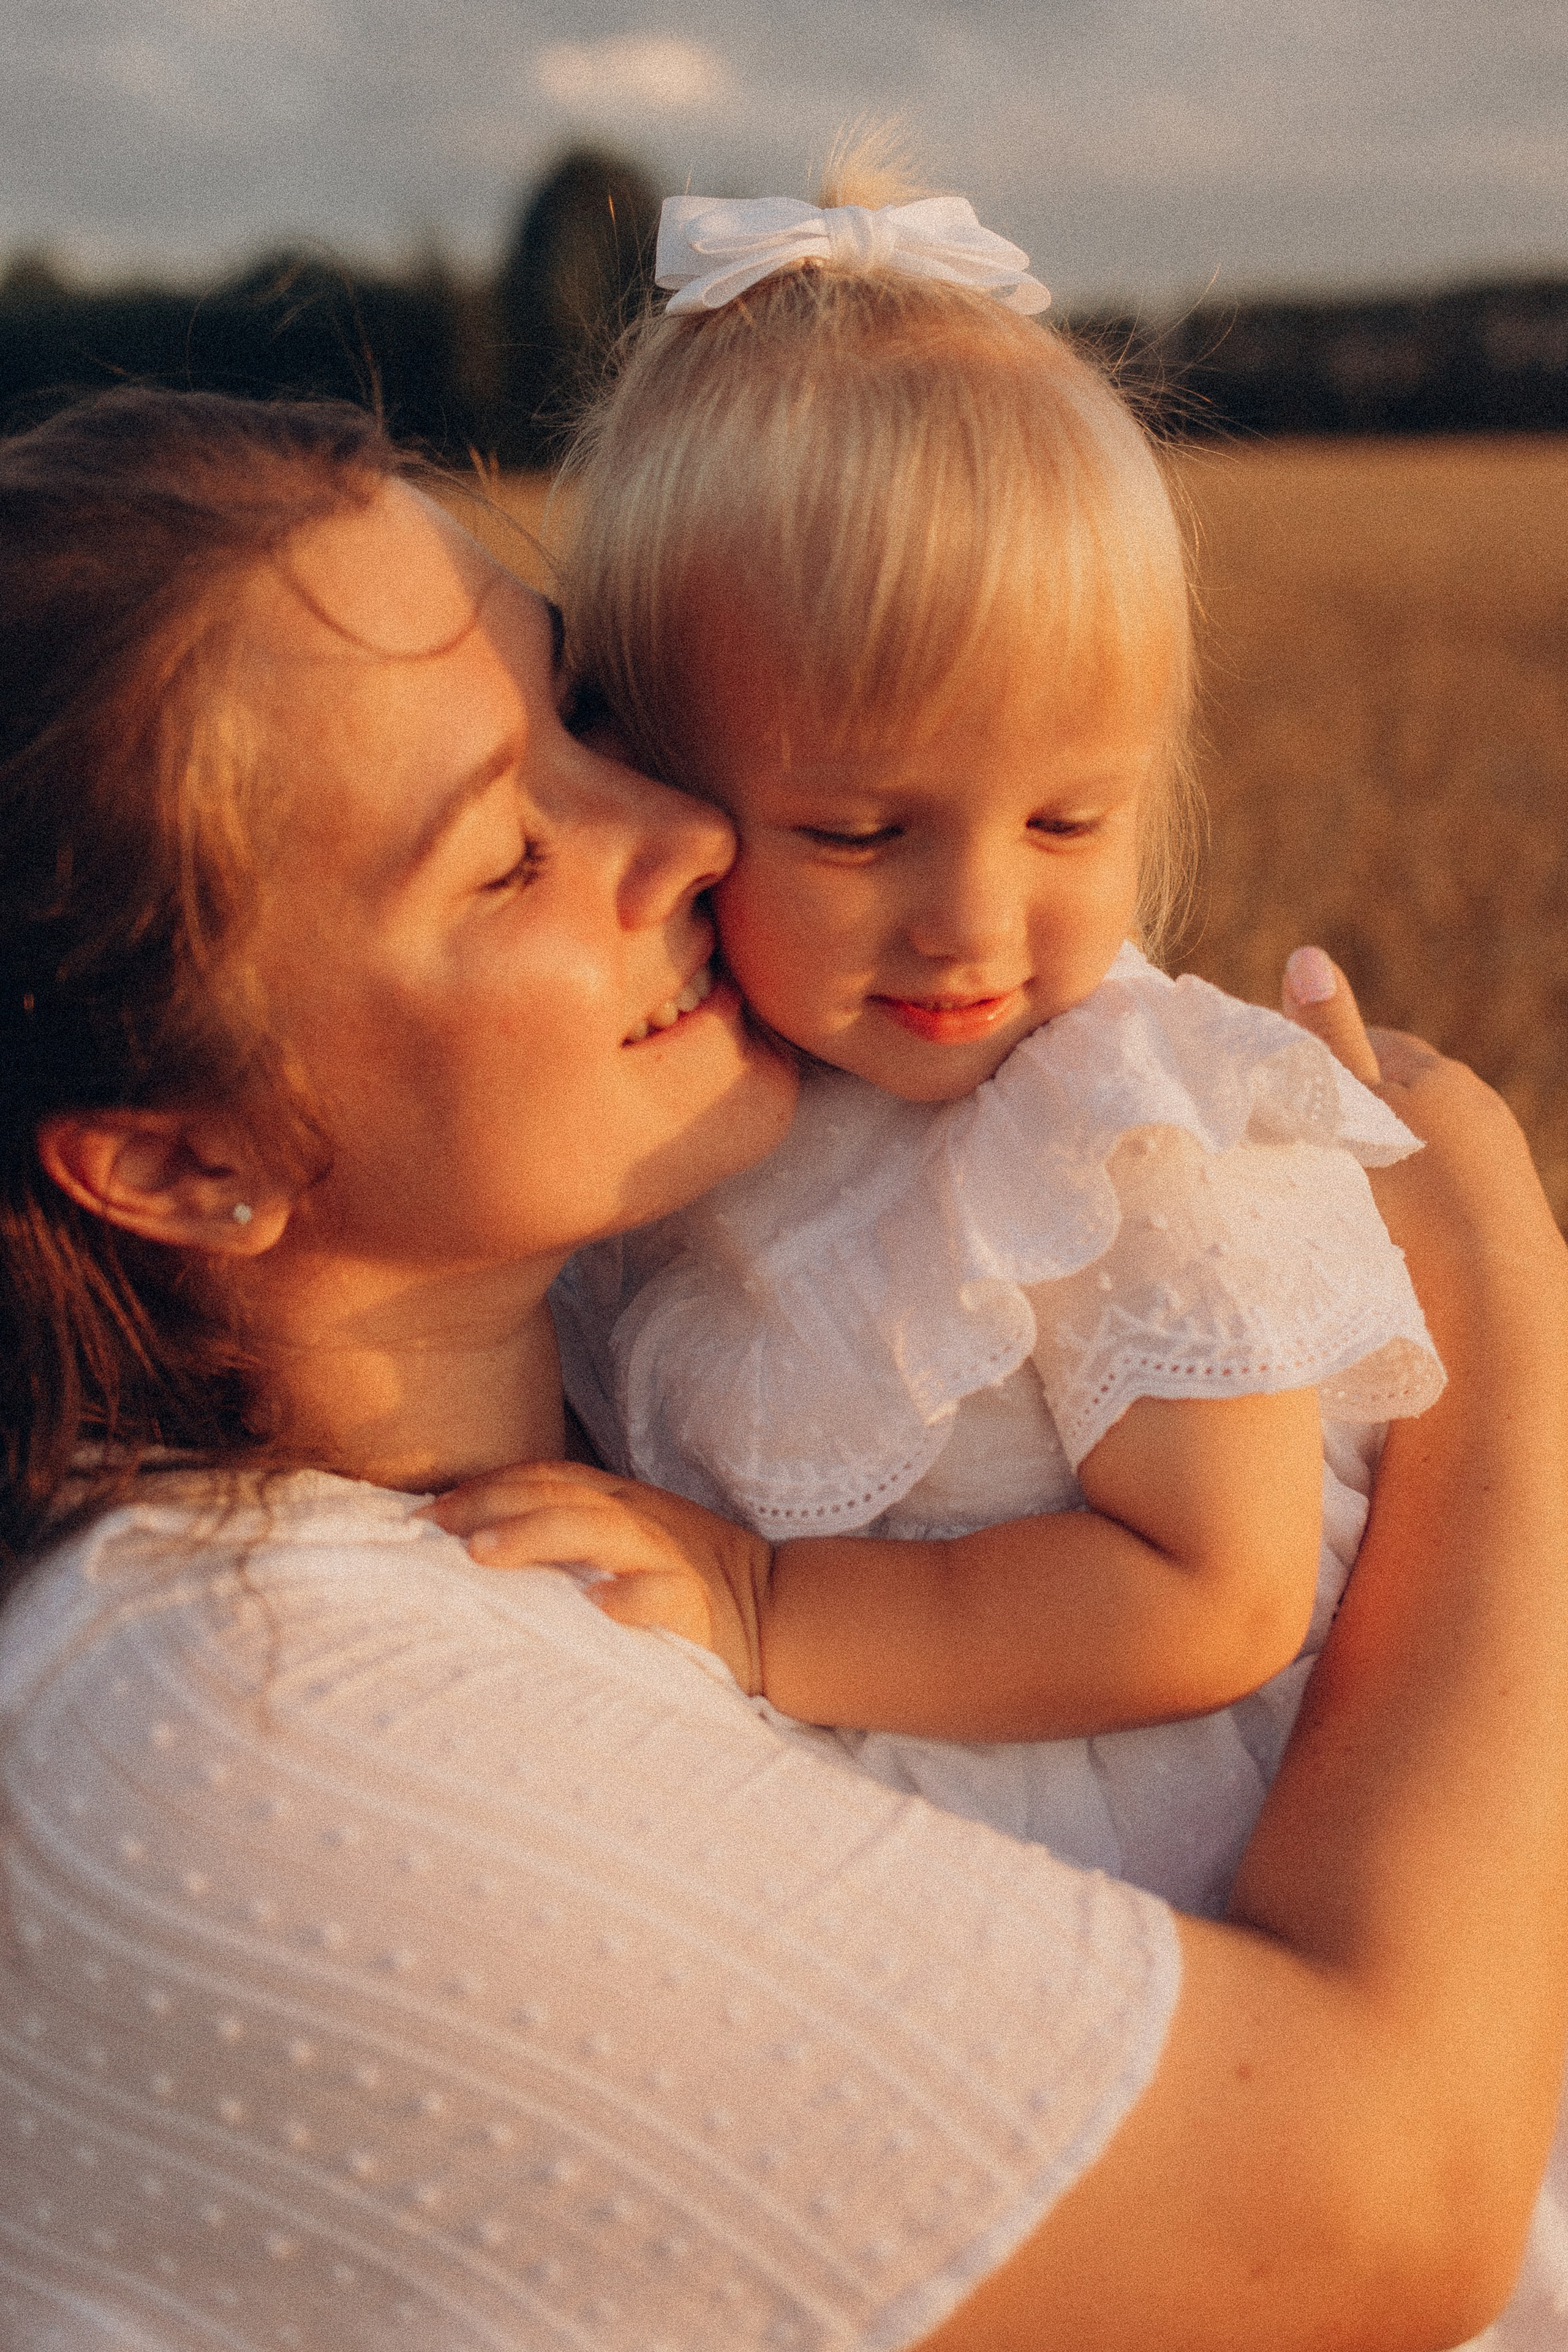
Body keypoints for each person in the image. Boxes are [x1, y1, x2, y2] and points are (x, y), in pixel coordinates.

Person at [1, 386, 1567, 2352]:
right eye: (502, 858)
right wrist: (1501, 1310)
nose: (681, 825)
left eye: (584, 713)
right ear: (182, 1163)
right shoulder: (229, 1716)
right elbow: (1388, 2215)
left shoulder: (691, 1339)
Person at [443, 151, 1444, 1920]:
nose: (976, 926)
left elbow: (1210, 1597)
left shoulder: (1120, 1133)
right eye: (854, 832)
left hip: (1197, 1899)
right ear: (656, 781)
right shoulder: (685, 1125)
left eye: (1070, 825)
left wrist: (763, 1608)